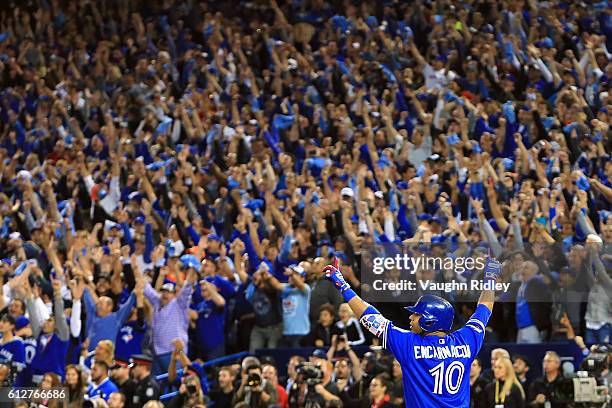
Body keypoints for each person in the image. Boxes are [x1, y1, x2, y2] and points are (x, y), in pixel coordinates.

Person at [324, 255, 502, 407]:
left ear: (429, 321)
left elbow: (369, 316)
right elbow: (484, 309)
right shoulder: (467, 340)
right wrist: (491, 276)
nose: (410, 318)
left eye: (416, 315)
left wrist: (342, 285)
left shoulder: (409, 344)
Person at [141, 255, 197, 375]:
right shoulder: (157, 302)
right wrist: (133, 266)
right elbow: (145, 288)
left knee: (177, 383)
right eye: (163, 292)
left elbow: (187, 287)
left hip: (174, 351)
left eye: (169, 293)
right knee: (160, 388)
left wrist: (192, 270)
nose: (165, 294)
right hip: (157, 352)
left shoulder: (179, 304)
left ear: (174, 295)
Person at [266, 264, 311, 347]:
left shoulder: (305, 289)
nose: (291, 277)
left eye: (296, 274)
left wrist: (291, 274)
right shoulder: (287, 288)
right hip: (286, 333)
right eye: (291, 275)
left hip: (300, 333)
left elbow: (300, 285)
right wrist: (267, 275)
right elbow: (276, 285)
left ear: (303, 278)